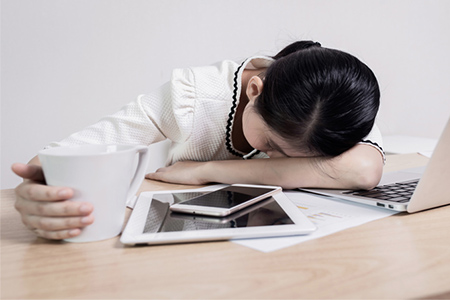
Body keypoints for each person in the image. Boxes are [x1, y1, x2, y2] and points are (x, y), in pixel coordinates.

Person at [12, 41, 385, 240]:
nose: (274, 157)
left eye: (300, 159)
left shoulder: (334, 106)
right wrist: (40, 195)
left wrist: (207, 170)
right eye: (270, 143)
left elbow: (365, 169)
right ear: (255, 90)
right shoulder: (193, 98)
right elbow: (54, 161)